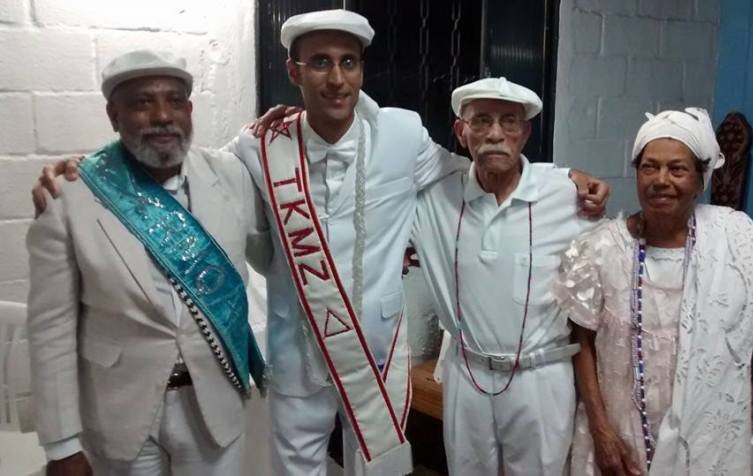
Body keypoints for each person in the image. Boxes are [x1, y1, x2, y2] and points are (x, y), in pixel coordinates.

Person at [31, 10, 609, 475]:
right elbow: (175, 165)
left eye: (348, 62)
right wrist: (91, 170)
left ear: (361, 69)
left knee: (380, 468)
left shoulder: (403, 133)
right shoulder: (257, 147)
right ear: (294, 71)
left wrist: (566, 179)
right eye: (320, 63)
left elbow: (479, 166)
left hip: (376, 353)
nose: (336, 79)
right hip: (294, 351)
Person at [26, 50, 270, 475]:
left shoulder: (231, 175)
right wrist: (61, 445)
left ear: (189, 110)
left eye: (175, 101)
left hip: (215, 407)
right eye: (142, 103)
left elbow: (281, 249)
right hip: (118, 415)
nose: (162, 116)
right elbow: (51, 330)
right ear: (113, 115)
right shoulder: (69, 195)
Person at [554, 107, 753, 475]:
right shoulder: (601, 249)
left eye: (677, 169)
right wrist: (601, 430)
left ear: (699, 180)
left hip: (711, 434)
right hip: (621, 432)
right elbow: (581, 340)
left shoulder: (734, 238)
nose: (661, 180)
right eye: (649, 167)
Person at [410, 77, 597, 475]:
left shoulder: (568, 197)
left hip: (540, 377)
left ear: (525, 133)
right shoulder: (433, 199)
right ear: (461, 132)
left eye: (509, 121)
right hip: (466, 374)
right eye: (481, 121)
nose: (495, 134)